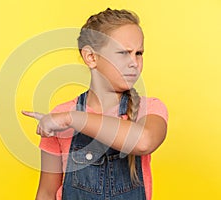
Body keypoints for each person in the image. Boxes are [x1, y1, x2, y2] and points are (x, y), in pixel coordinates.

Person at [22, 8, 168, 200]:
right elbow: (47, 193)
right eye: (123, 53)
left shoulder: (149, 109)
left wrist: (71, 119)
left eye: (138, 53)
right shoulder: (60, 114)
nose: (134, 62)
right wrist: (65, 117)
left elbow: (143, 142)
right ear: (91, 57)